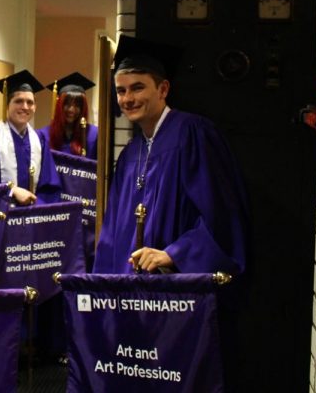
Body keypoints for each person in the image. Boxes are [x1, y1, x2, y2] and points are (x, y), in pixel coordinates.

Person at [94, 36, 248, 275]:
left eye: (137, 87)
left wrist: (174, 254)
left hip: (176, 292)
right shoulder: (129, 154)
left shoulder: (193, 135)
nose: (128, 99)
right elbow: (112, 231)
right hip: (129, 292)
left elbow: (222, 216)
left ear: (163, 89)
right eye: (121, 91)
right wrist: (102, 286)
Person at [0, 70, 62, 206]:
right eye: (18, 101)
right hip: (0, 217)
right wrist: (10, 191)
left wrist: (35, 206)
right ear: (7, 104)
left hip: (31, 217)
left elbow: (49, 187)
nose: (25, 107)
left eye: (30, 102)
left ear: (35, 107)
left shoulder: (40, 141)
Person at [38, 71, 99, 159]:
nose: (71, 110)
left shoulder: (94, 135)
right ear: (59, 105)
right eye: (67, 104)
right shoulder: (43, 135)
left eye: (77, 105)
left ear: (83, 108)